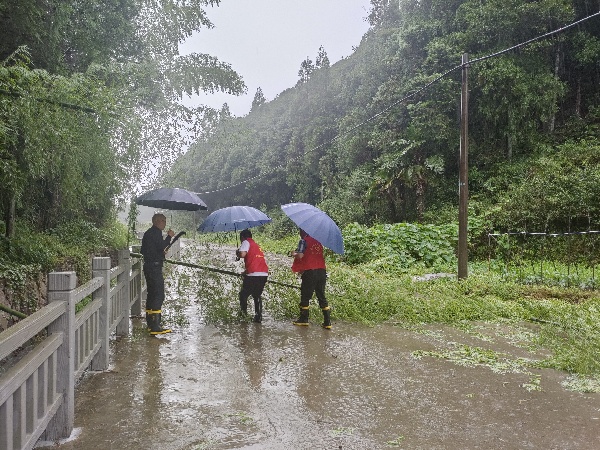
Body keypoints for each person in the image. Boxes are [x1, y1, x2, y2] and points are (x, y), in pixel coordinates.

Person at [290, 229, 331, 329]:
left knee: (305, 295)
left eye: (300, 231)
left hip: (310, 272)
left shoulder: (303, 241)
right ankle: (327, 322)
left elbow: (300, 255)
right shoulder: (318, 242)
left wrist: (293, 254)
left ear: (303, 232)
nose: (299, 234)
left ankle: (304, 319)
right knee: (321, 295)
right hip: (321, 271)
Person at [140, 213, 174, 335]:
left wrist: (160, 253)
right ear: (157, 221)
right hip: (154, 268)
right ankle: (155, 326)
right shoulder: (156, 233)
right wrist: (169, 237)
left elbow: (145, 250)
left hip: (148, 266)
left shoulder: (148, 233)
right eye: (163, 221)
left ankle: (150, 323)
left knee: (151, 293)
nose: (165, 223)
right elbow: (162, 245)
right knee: (159, 294)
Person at [236, 229, 269, 323]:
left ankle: (243, 315)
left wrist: (238, 252)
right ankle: (258, 317)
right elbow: (255, 261)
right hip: (263, 274)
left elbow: (242, 254)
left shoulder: (246, 242)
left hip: (253, 275)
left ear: (242, 237)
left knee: (243, 295)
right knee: (256, 295)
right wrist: (245, 272)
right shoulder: (256, 245)